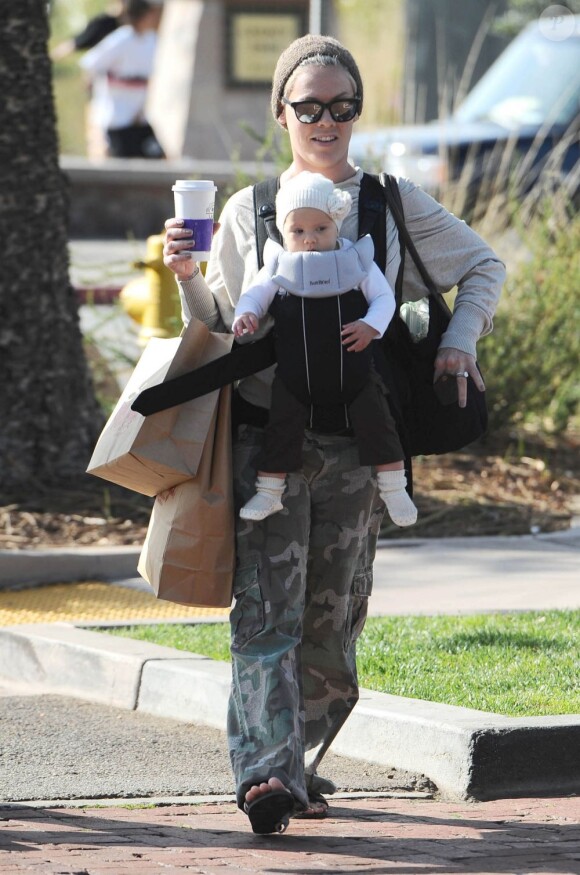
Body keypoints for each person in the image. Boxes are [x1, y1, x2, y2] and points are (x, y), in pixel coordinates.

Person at [163, 34, 505, 834]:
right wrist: (187, 279)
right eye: (308, 106)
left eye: (341, 106)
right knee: (265, 615)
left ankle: (298, 759)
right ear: (282, 112)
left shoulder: (390, 203)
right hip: (266, 442)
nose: (326, 120)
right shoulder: (249, 212)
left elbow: (482, 264)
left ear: (355, 112)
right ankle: (265, 776)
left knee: (331, 622)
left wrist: (460, 341)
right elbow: (225, 321)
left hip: (361, 446)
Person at [232, 170, 417, 528]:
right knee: (281, 427)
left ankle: (394, 488)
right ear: (283, 233)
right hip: (294, 376)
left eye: (321, 229)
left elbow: (383, 299)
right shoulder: (278, 266)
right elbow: (255, 296)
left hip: (355, 372)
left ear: (337, 225)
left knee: (379, 423)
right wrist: (247, 315)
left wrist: (370, 326)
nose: (310, 240)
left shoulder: (357, 261)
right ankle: (269, 491)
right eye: (297, 232)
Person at [79, 0, 165, 159]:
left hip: (139, 117)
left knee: (155, 158)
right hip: (117, 117)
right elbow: (90, 64)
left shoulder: (151, 40)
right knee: (123, 164)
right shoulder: (121, 38)